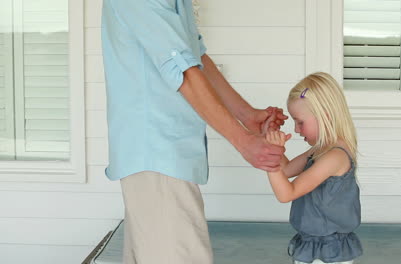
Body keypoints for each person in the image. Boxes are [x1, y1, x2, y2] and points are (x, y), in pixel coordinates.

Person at [100, 0, 288, 263]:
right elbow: (183, 71)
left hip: (164, 158)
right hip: (156, 156)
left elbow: (195, 56)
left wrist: (248, 116)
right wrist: (244, 142)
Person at [263, 72, 363, 264]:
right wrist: (271, 141)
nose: (296, 129)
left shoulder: (335, 156)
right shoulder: (319, 150)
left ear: (325, 116)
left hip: (328, 251)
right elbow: (285, 170)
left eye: (300, 122)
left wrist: (271, 161)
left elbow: (286, 193)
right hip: (312, 243)